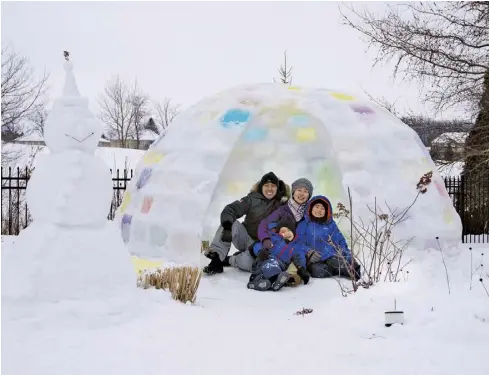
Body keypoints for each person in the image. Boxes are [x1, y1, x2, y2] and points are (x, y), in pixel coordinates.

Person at [203, 172, 289, 275]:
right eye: (266, 185)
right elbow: (231, 209)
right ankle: (216, 259)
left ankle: (230, 260)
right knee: (231, 223)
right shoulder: (251, 199)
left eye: (273, 186)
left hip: (262, 246)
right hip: (245, 237)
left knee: (250, 265)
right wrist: (227, 228)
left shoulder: (282, 204)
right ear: (261, 187)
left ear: (277, 187)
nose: (269, 189)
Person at [256, 178, 313, 285]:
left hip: (295, 251)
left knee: (298, 261)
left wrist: (309, 250)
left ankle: (290, 277)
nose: (302, 194)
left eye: (306, 191)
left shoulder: (309, 213)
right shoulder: (283, 210)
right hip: (276, 248)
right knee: (251, 261)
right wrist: (266, 239)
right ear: (293, 192)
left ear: (309, 195)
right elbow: (264, 224)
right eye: (299, 190)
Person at [295, 195, 361, 280]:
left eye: (322, 208)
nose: (319, 210)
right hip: (313, 259)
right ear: (310, 208)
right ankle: (334, 270)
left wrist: (348, 256)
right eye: (317, 207)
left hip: (329, 254)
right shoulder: (303, 224)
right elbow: (297, 242)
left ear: (326, 211)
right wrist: (308, 252)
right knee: (318, 271)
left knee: (336, 262)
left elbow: (340, 241)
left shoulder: (330, 225)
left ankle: (353, 270)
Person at [247, 218, 309, 291]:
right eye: (283, 231)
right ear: (278, 233)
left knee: (277, 270)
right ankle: (256, 280)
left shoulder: (294, 247)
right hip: (266, 259)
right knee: (270, 266)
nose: (287, 233)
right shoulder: (273, 238)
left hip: (281, 265)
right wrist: (260, 251)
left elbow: (299, 257)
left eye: (289, 231)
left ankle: (270, 283)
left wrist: (302, 269)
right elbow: (258, 245)